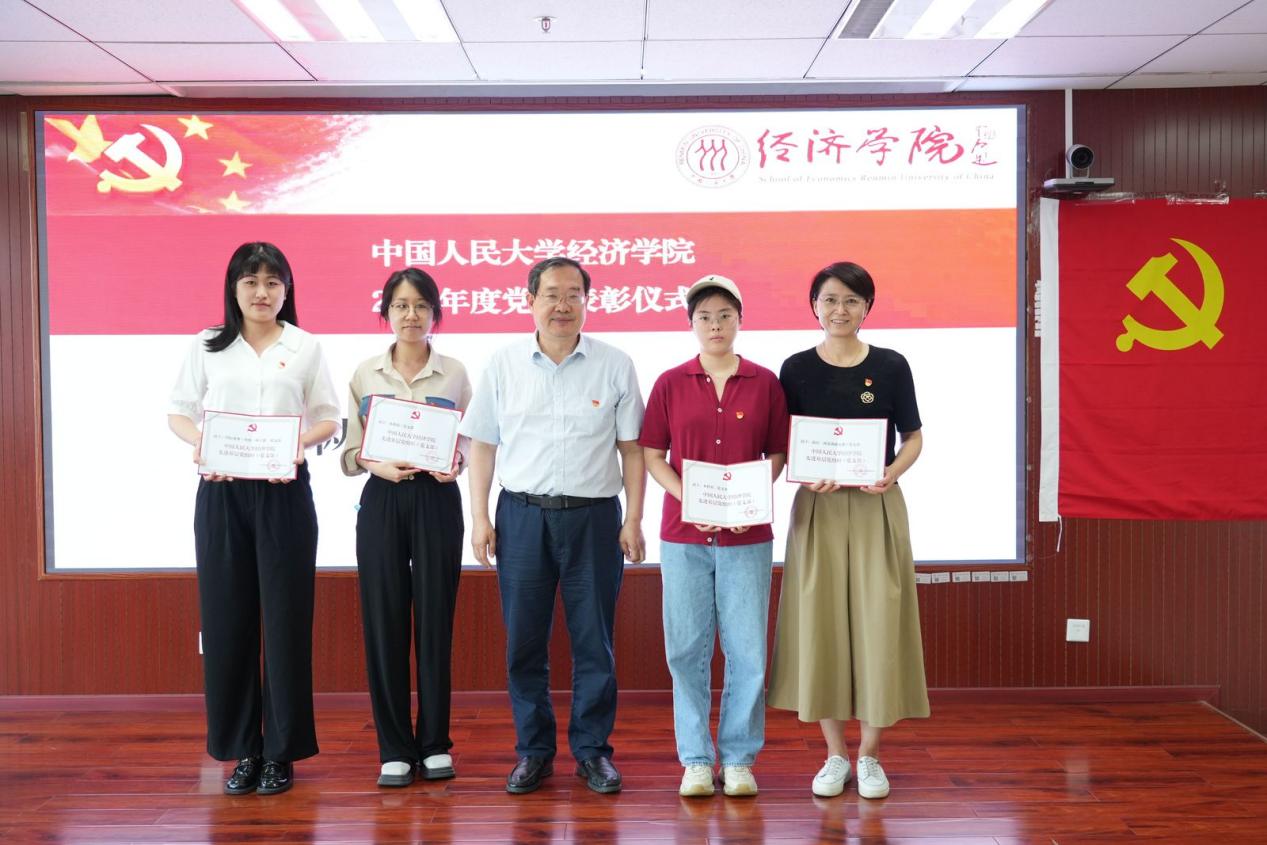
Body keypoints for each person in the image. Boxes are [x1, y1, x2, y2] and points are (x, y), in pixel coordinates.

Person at [460, 256, 646, 795]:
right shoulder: (503, 364)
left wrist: (634, 517)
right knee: (524, 642)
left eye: (573, 295)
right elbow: (483, 446)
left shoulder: (615, 364)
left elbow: (632, 449)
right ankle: (533, 751)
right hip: (521, 518)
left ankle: (592, 752)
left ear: (587, 301)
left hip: (594, 519)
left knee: (594, 643)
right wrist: (480, 518)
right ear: (530, 301)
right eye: (551, 294)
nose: (562, 305)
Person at [167, 242, 340, 796]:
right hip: (222, 494)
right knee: (227, 621)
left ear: (287, 290)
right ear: (233, 288)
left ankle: (281, 752)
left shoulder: (305, 346)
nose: (262, 292)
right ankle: (244, 748)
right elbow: (178, 411)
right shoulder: (207, 345)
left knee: (286, 622)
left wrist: (296, 444)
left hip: (284, 494)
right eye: (251, 281)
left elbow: (328, 418)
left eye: (272, 282)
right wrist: (202, 444)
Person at [768, 261, 929, 801]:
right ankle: (835, 754)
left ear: (867, 307)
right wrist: (799, 469)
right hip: (818, 508)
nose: (840, 310)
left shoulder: (890, 365)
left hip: (877, 506)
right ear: (814, 305)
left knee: (880, 624)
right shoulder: (795, 368)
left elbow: (913, 437)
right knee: (822, 625)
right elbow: (786, 442)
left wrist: (891, 473)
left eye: (852, 301)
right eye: (830, 299)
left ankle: (871, 755)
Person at [639, 275, 789, 798]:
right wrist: (689, 498)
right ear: (691, 324)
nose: (715, 325)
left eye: (725, 315)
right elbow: (653, 455)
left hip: (748, 536)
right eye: (704, 316)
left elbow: (777, 453)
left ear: (740, 320)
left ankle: (740, 759)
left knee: (747, 649)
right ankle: (697, 760)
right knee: (686, 650)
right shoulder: (670, 383)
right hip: (684, 536)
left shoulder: (765, 382)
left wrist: (750, 498)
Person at [341, 268, 471, 788]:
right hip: (383, 497)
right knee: (384, 621)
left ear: (435, 313)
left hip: (437, 497)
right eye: (400, 305)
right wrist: (375, 464)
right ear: (386, 313)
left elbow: (469, 438)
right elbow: (350, 451)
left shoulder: (455, 372)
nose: (411, 315)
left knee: (436, 621)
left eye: (420, 305)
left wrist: (457, 461)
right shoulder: (365, 373)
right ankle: (394, 747)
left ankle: (434, 744)